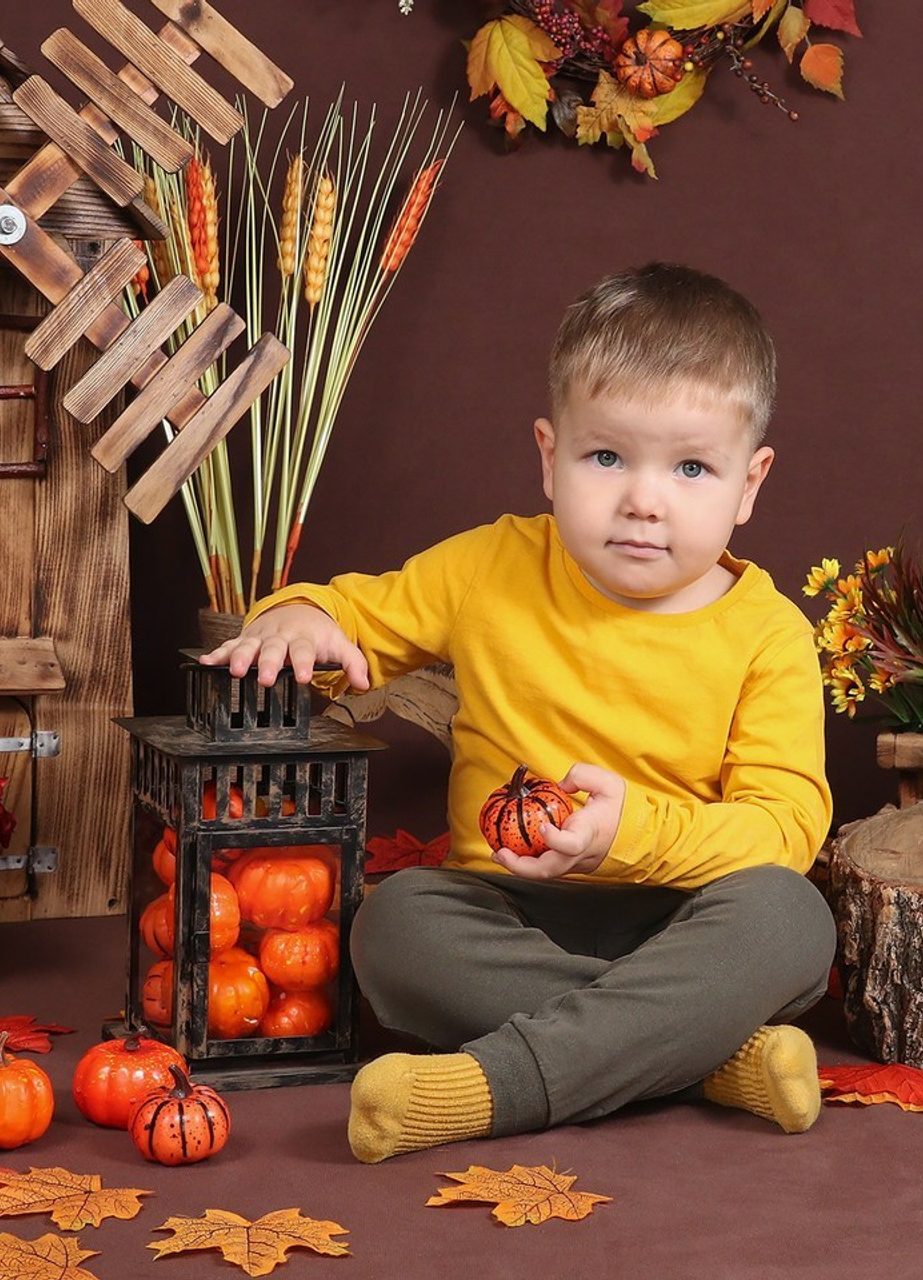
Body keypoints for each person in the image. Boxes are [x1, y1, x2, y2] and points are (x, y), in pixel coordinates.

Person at [202, 262, 838, 1163]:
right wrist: (298, 616)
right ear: (550, 457)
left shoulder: (770, 634)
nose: (643, 500)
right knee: (393, 928)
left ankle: (492, 1086)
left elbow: (785, 829)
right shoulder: (491, 567)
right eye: (606, 456)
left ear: (750, 482)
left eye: (692, 467)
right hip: (506, 914)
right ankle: (702, 1057)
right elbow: (356, 614)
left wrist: (631, 835)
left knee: (792, 919)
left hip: (689, 920)